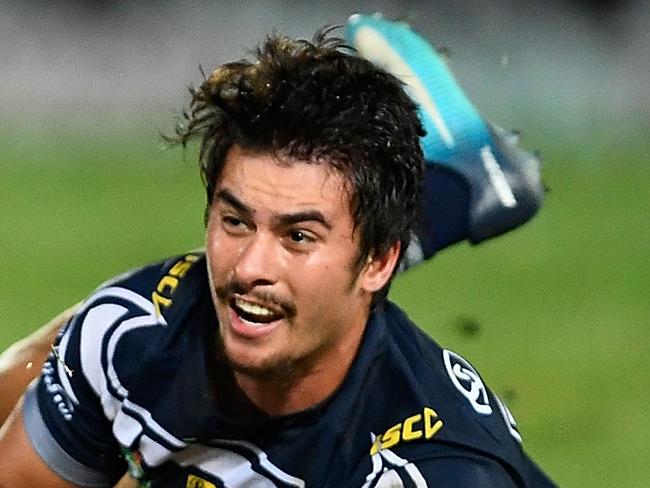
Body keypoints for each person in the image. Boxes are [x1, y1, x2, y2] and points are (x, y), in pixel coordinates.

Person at [0, 20, 554, 488]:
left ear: (379, 260)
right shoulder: (133, 329)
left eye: (297, 237)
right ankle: (449, 191)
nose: (250, 266)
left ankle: (445, 194)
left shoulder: (427, 469)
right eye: (235, 221)